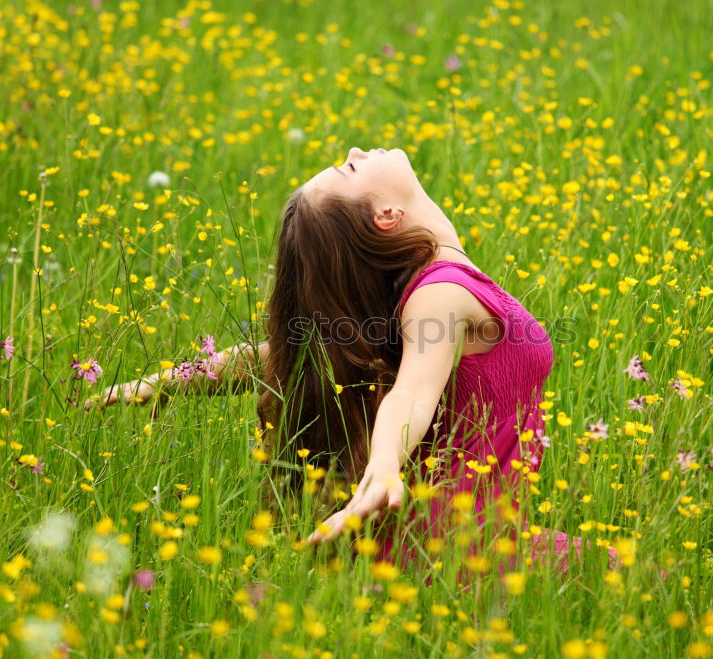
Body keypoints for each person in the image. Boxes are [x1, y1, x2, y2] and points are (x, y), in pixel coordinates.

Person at [96, 147, 594, 574]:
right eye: (349, 171)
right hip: (459, 552)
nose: (356, 152)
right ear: (385, 217)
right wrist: (382, 466)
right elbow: (413, 392)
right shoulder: (440, 292)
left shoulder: (419, 283)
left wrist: (164, 382)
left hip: (458, 534)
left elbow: (283, 355)